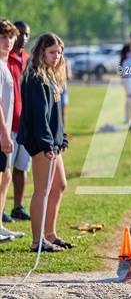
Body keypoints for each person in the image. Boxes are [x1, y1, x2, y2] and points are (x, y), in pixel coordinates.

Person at [18, 32, 74, 252]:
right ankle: (37, 240)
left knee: (59, 185)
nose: (57, 56)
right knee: (41, 191)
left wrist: (60, 140)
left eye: (59, 53)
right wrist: (46, 143)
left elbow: (54, 115)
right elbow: (38, 115)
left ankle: (50, 234)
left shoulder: (51, 75)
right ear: (42, 52)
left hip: (53, 143)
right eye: (52, 52)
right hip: (42, 144)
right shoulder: (34, 77)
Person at [0, 19, 25, 244]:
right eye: (3, 37)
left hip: (9, 128)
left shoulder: (6, 65)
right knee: (4, 176)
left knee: (6, 176)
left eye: (10, 37)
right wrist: (5, 133)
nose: (8, 41)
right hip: (2, 132)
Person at [5, 21, 32, 223]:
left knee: (21, 168)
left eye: (26, 34)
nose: (23, 37)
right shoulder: (4, 59)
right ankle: (2, 208)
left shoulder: (28, 59)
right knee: (4, 170)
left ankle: (18, 207)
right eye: (19, 33)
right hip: (8, 122)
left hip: (25, 123)